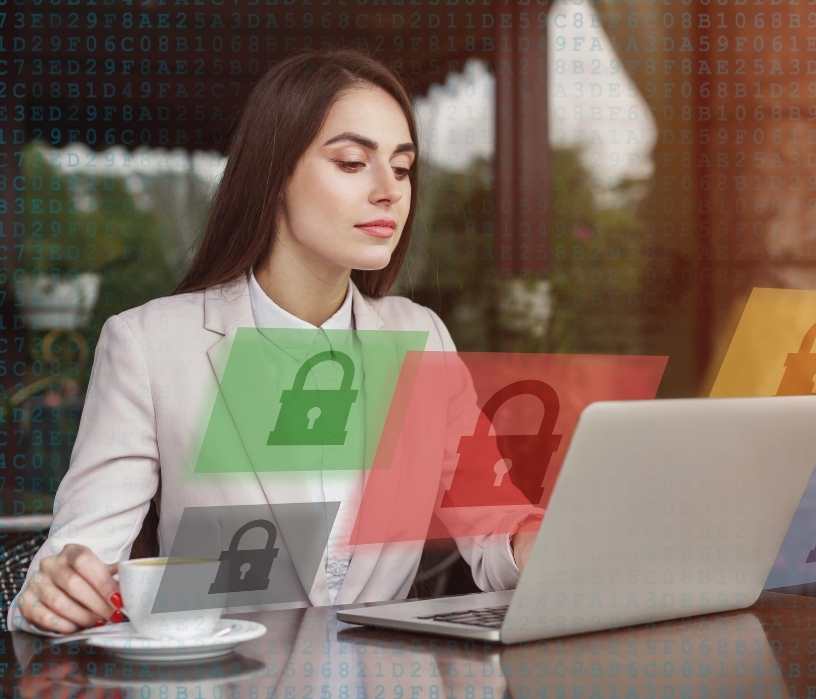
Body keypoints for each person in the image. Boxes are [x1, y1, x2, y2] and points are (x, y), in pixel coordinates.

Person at [9, 49, 540, 634]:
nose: (389, 190)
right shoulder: (149, 345)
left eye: (403, 166)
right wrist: (58, 595)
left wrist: (549, 538)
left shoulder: (421, 338)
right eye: (351, 162)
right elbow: (78, 562)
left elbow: (495, 538)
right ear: (276, 175)